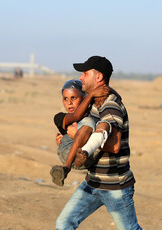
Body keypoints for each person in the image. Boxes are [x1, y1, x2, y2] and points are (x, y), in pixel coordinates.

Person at [55, 56, 142, 230]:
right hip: (93, 182)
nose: (81, 78)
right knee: (64, 224)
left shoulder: (110, 105)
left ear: (99, 77)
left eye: (85, 73)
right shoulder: (94, 102)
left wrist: (78, 137)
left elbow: (115, 145)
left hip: (114, 186)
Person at [51, 79, 119, 186]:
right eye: (65, 99)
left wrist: (108, 91)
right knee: (89, 121)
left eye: (74, 98)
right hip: (67, 151)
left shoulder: (92, 111)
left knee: (104, 125)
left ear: (83, 99)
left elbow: (107, 93)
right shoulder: (59, 118)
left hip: (85, 157)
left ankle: (81, 156)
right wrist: (91, 94)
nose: (69, 103)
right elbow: (76, 116)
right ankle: (66, 167)